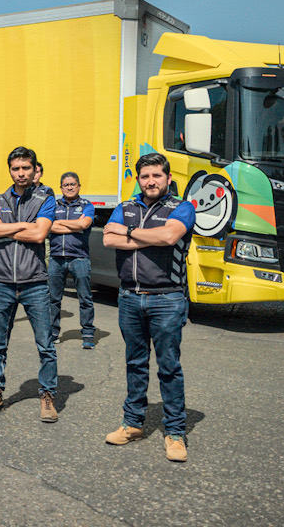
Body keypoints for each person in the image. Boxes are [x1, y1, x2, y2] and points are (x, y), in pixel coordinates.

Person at [102, 151, 196, 463]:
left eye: (157, 175)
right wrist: (145, 237)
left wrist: (128, 233)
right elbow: (107, 238)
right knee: (135, 363)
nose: (151, 181)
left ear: (168, 178)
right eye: (145, 176)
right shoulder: (126, 207)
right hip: (129, 297)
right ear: (139, 180)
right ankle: (132, 424)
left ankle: (175, 433)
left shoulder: (181, 207)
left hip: (167, 298)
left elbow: (170, 236)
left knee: (169, 368)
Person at [0, 147, 59, 422]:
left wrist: (9, 227)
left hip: (34, 281)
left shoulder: (46, 198)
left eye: (26, 168)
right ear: (10, 170)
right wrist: (24, 225)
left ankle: (47, 395)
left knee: (45, 344)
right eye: (16, 168)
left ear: (34, 169)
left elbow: (39, 235)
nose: (21, 173)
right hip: (3, 281)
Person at [48, 171, 97, 349]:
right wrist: (74, 226)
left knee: (85, 298)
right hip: (56, 258)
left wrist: (59, 225)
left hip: (79, 258)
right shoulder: (53, 205)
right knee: (54, 298)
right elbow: (48, 225)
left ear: (79, 186)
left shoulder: (87, 205)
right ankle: (53, 332)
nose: (69, 187)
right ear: (61, 187)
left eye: (73, 184)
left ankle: (88, 334)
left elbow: (84, 225)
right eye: (66, 185)